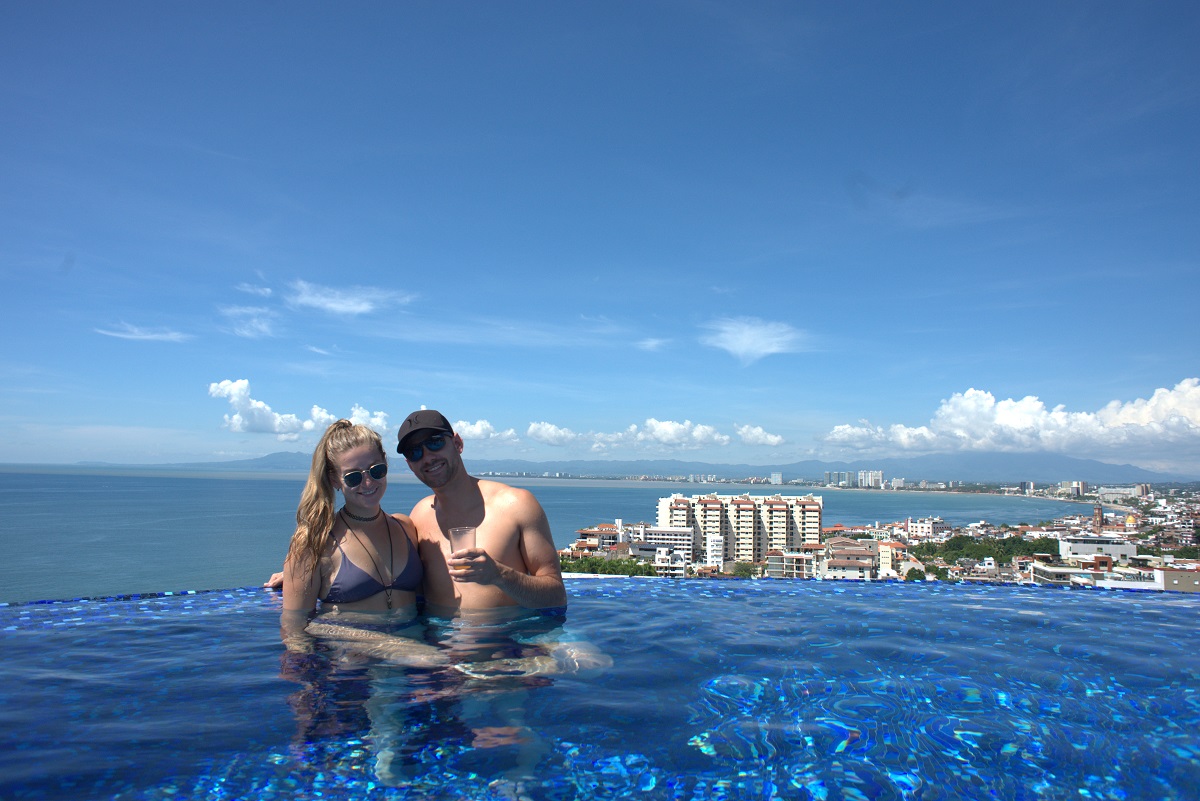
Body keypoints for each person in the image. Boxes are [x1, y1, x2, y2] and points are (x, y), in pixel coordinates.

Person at [395, 409, 567, 616]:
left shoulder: (516, 505)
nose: (427, 457)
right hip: (440, 643)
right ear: (409, 465)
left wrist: (499, 575)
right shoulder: (420, 516)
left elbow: (556, 596)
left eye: (435, 442)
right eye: (414, 452)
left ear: (457, 443)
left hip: (511, 639)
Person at [280, 419, 426, 649]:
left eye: (376, 470)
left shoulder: (405, 527)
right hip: (352, 669)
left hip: (412, 659)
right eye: (353, 477)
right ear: (334, 479)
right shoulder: (314, 542)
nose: (368, 482)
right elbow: (295, 627)